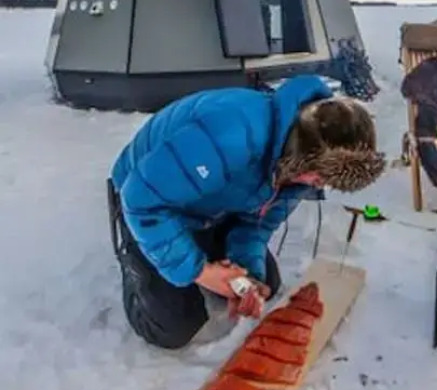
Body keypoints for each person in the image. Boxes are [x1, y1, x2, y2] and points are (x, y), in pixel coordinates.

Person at [107, 75, 386, 350]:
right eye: (319, 177)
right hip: (148, 199)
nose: (319, 184)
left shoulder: (298, 167)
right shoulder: (232, 133)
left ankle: (200, 244)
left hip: (212, 201)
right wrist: (201, 271)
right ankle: (135, 263)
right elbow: (141, 198)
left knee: (266, 282)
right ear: (302, 153)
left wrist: (248, 276)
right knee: (173, 327)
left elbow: (258, 223)